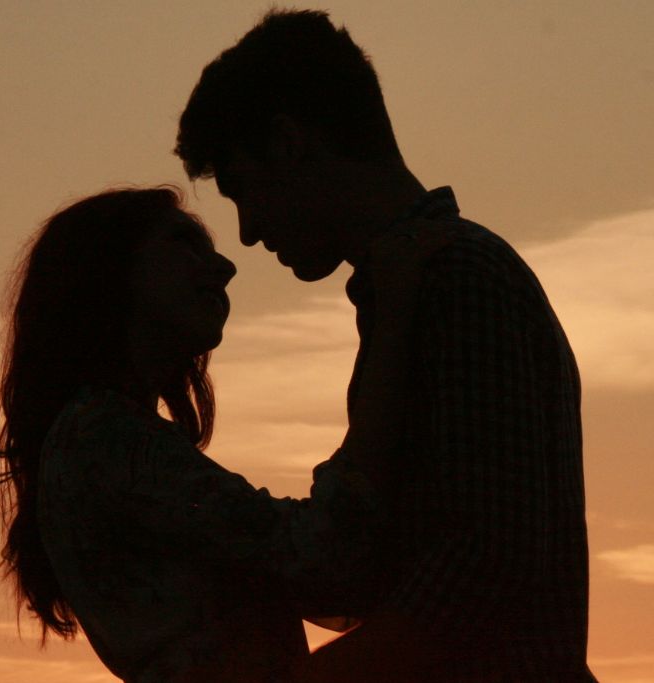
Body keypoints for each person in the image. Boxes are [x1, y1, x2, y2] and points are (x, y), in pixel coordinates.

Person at [176, 9, 597, 682]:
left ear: (289, 143)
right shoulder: (414, 292)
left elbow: (478, 570)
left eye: (242, 191)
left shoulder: (459, 280)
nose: (248, 231)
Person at [0, 186, 441, 683]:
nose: (225, 268)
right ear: (110, 273)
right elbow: (323, 557)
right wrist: (392, 323)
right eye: (184, 244)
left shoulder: (97, 436)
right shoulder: (102, 436)